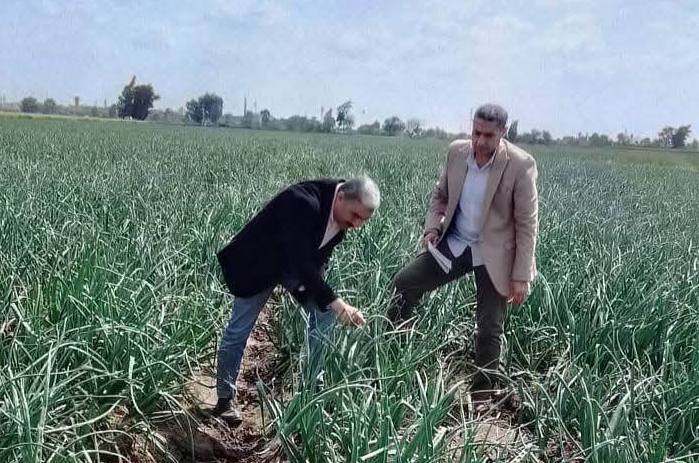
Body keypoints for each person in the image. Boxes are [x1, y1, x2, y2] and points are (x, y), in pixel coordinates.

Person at [388, 104, 538, 405]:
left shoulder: (520, 165)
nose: (480, 141)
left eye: (488, 135)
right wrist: (432, 227)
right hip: (455, 243)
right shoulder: (457, 152)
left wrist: (521, 275)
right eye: (476, 132)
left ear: (503, 132)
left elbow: (527, 224)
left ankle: (482, 396)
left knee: (489, 327)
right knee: (404, 284)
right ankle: (392, 358)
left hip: (494, 253)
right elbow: (440, 195)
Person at [214, 176, 380, 426]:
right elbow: (300, 261)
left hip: (292, 267)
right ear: (341, 197)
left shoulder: (340, 217)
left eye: (362, 220)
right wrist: (337, 302)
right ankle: (224, 399)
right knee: (238, 330)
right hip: (257, 265)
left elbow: (318, 261)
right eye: (355, 216)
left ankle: (311, 393)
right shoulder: (302, 201)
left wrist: (322, 298)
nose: (356, 225)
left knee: (325, 312)